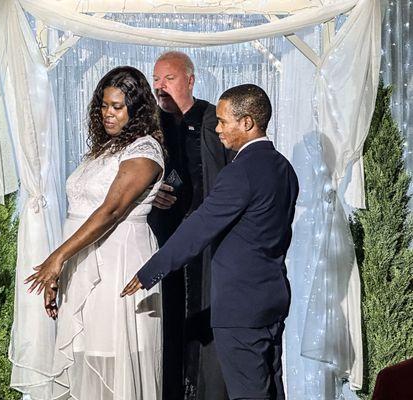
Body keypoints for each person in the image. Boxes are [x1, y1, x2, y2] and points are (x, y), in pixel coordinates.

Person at [123, 84, 299, 400]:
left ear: (247, 123)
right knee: (273, 389)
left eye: (222, 121)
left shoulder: (240, 172)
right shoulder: (283, 168)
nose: (217, 129)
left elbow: (199, 228)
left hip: (241, 307)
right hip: (273, 298)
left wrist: (150, 272)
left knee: (249, 393)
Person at [25, 66, 165, 400]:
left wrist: (57, 257)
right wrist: (63, 268)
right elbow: (79, 215)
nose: (107, 113)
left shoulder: (144, 151)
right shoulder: (105, 149)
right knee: (87, 357)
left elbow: (112, 211)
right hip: (83, 263)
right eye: (104, 105)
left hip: (118, 265)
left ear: (137, 109)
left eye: (117, 106)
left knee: (113, 360)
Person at [149, 50, 234, 400]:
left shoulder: (214, 120)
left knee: (203, 318)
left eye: (168, 78)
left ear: (189, 80)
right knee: (165, 323)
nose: (159, 86)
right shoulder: (148, 124)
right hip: (160, 237)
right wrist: (149, 194)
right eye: (155, 80)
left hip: (207, 243)